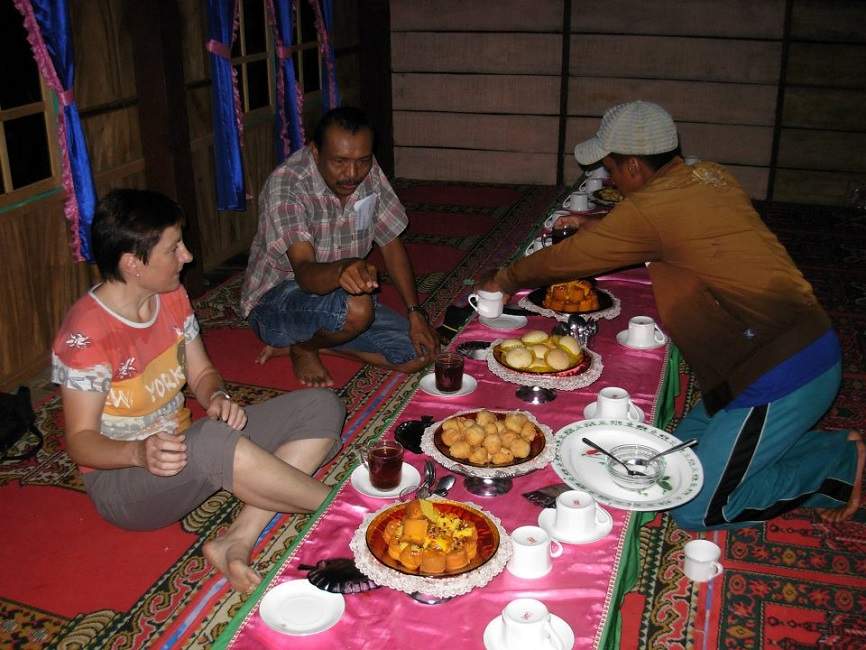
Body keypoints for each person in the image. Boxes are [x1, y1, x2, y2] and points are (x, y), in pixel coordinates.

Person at [482, 100, 863, 530]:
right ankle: (788, 446)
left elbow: (567, 261)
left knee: (695, 506)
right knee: (666, 464)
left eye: (609, 168)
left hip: (783, 371)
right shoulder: (709, 175)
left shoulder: (654, 209)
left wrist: (507, 278)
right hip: (753, 363)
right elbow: (670, 224)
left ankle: (838, 464)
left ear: (631, 167)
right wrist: (601, 224)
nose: (608, 178)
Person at [52, 189, 345, 592]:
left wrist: (217, 397)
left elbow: (202, 371)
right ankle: (351, 511)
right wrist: (138, 451)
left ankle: (235, 541)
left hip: (188, 447)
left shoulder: (171, 295)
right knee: (210, 440)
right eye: (174, 249)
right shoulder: (86, 333)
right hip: (124, 480)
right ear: (133, 264)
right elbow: (81, 443)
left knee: (321, 406)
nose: (187, 256)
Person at [241, 106, 439, 387]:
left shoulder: (365, 171)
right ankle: (305, 346)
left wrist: (414, 313)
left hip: (339, 299)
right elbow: (305, 273)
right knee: (358, 308)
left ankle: (317, 344)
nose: (352, 174)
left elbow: (391, 244)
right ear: (315, 153)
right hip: (278, 303)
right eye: (340, 162)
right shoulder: (287, 186)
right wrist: (342, 270)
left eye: (362, 161)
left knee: (418, 356)